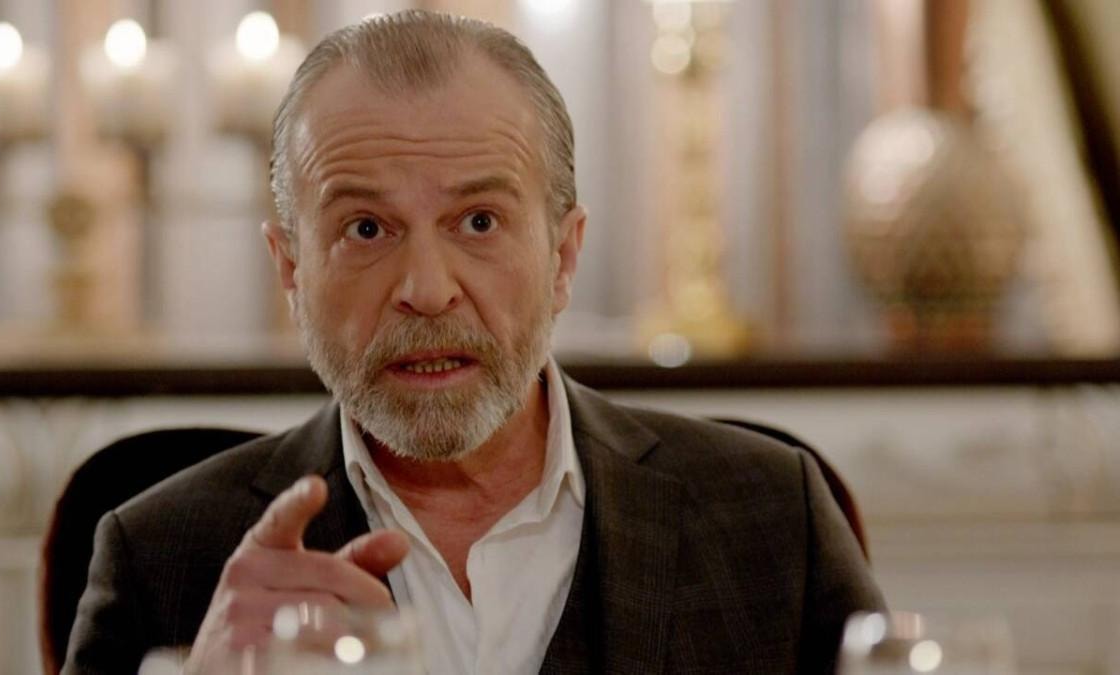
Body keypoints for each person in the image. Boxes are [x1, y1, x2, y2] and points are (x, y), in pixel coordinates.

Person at [63, 10, 884, 674]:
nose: (426, 288)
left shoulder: (774, 517)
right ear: (291, 268)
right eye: (366, 228)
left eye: (480, 222)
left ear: (563, 255)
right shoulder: (159, 557)